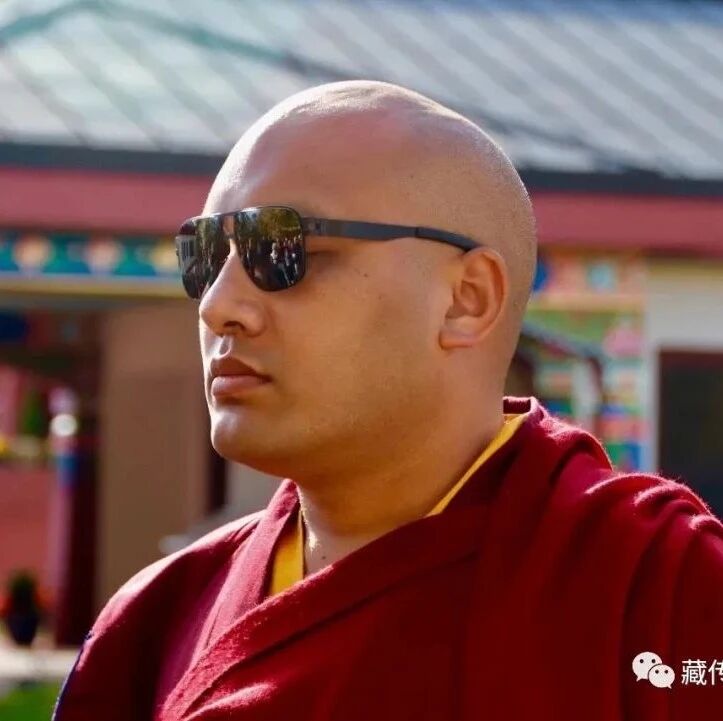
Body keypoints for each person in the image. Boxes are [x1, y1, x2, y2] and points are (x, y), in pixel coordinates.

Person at [53, 81, 723, 721]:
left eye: (283, 250)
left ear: (465, 300)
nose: (218, 305)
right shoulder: (155, 619)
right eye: (205, 257)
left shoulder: (660, 591)